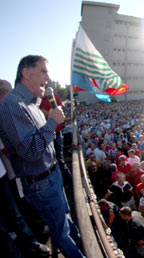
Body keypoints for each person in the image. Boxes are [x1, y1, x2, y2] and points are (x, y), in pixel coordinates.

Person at [0, 56, 84, 257]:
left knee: (65, 220)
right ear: (26, 73)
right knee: (61, 233)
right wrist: (52, 122)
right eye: (44, 71)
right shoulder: (12, 104)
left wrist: (49, 121)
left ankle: (81, 244)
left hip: (50, 175)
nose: (49, 77)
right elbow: (29, 151)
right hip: (41, 182)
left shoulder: (31, 104)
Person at [40, 85, 73, 189]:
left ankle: (71, 183)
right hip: (46, 135)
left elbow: (58, 116)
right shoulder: (39, 100)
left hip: (55, 134)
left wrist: (45, 114)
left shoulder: (53, 97)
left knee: (59, 161)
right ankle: (64, 183)